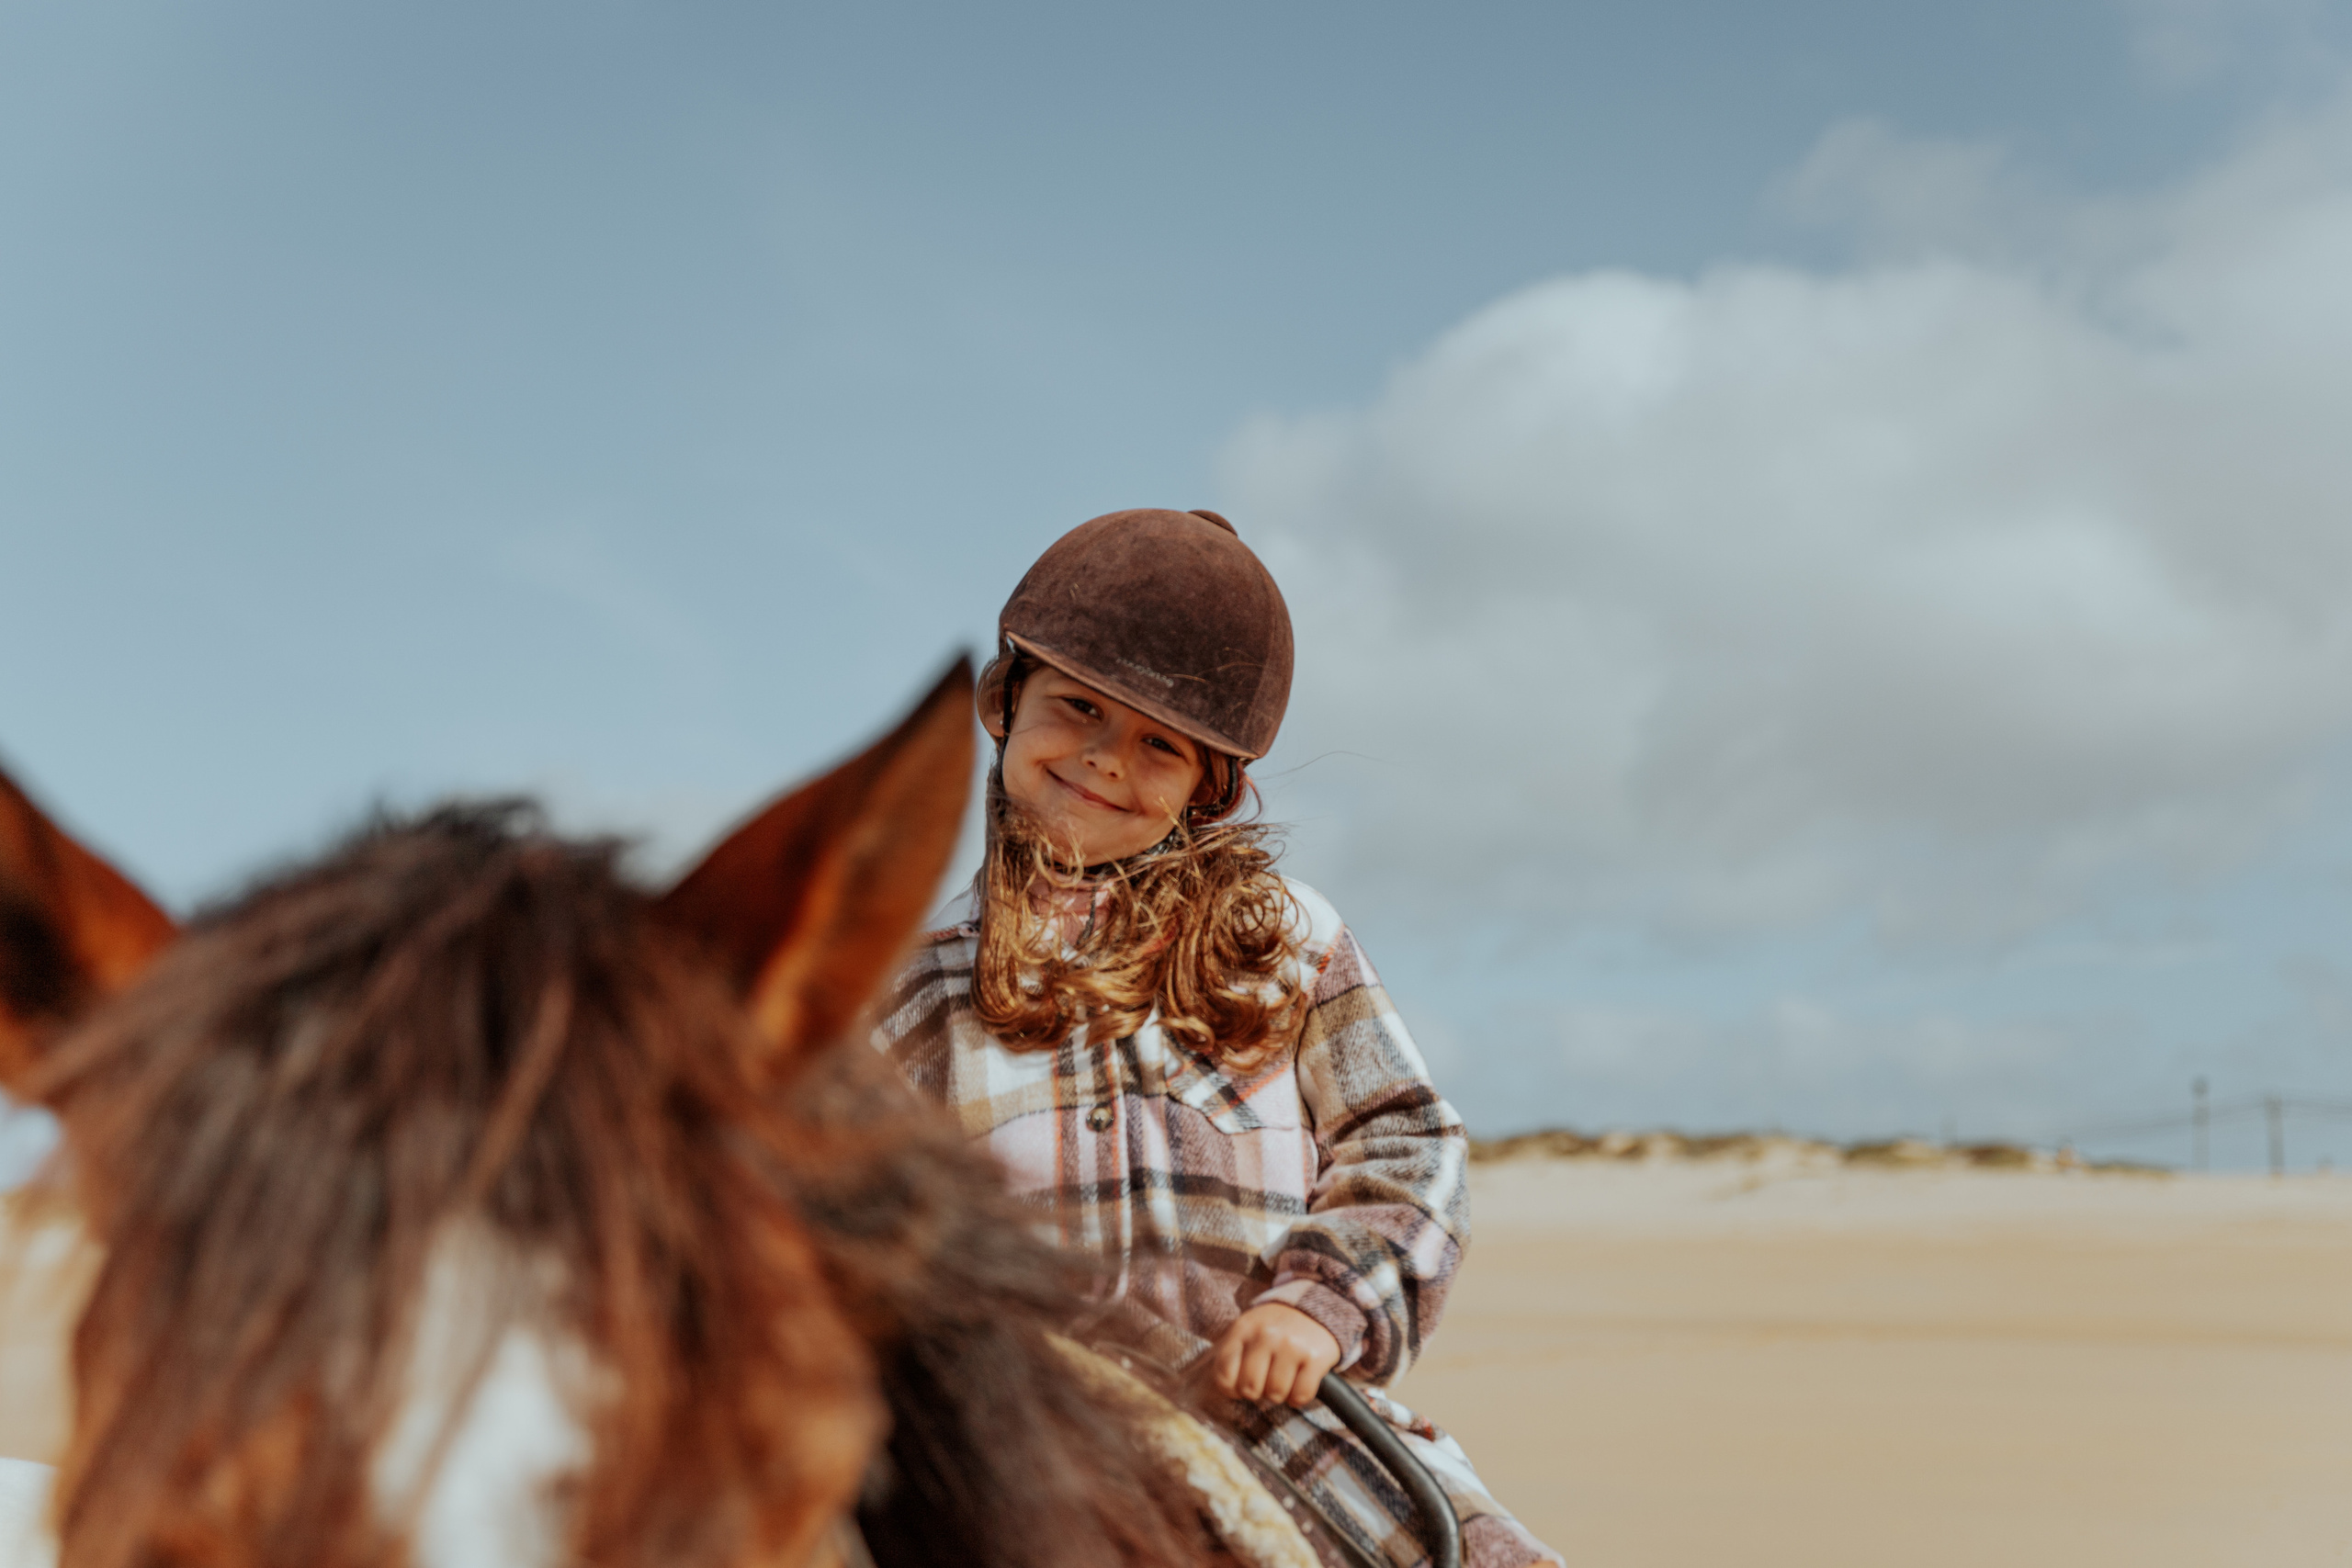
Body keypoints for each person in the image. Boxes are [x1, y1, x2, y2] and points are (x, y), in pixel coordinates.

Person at [871, 508, 1559, 1568]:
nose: (1105, 760)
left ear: (1211, 785)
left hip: (1282, 1433)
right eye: (1079, 708)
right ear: (1002, 702)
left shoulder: (1286, 939)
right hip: (1024, 1445)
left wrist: (1319, 1308)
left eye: (1160, 745)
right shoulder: (915, 990)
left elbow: (1406, 1143)